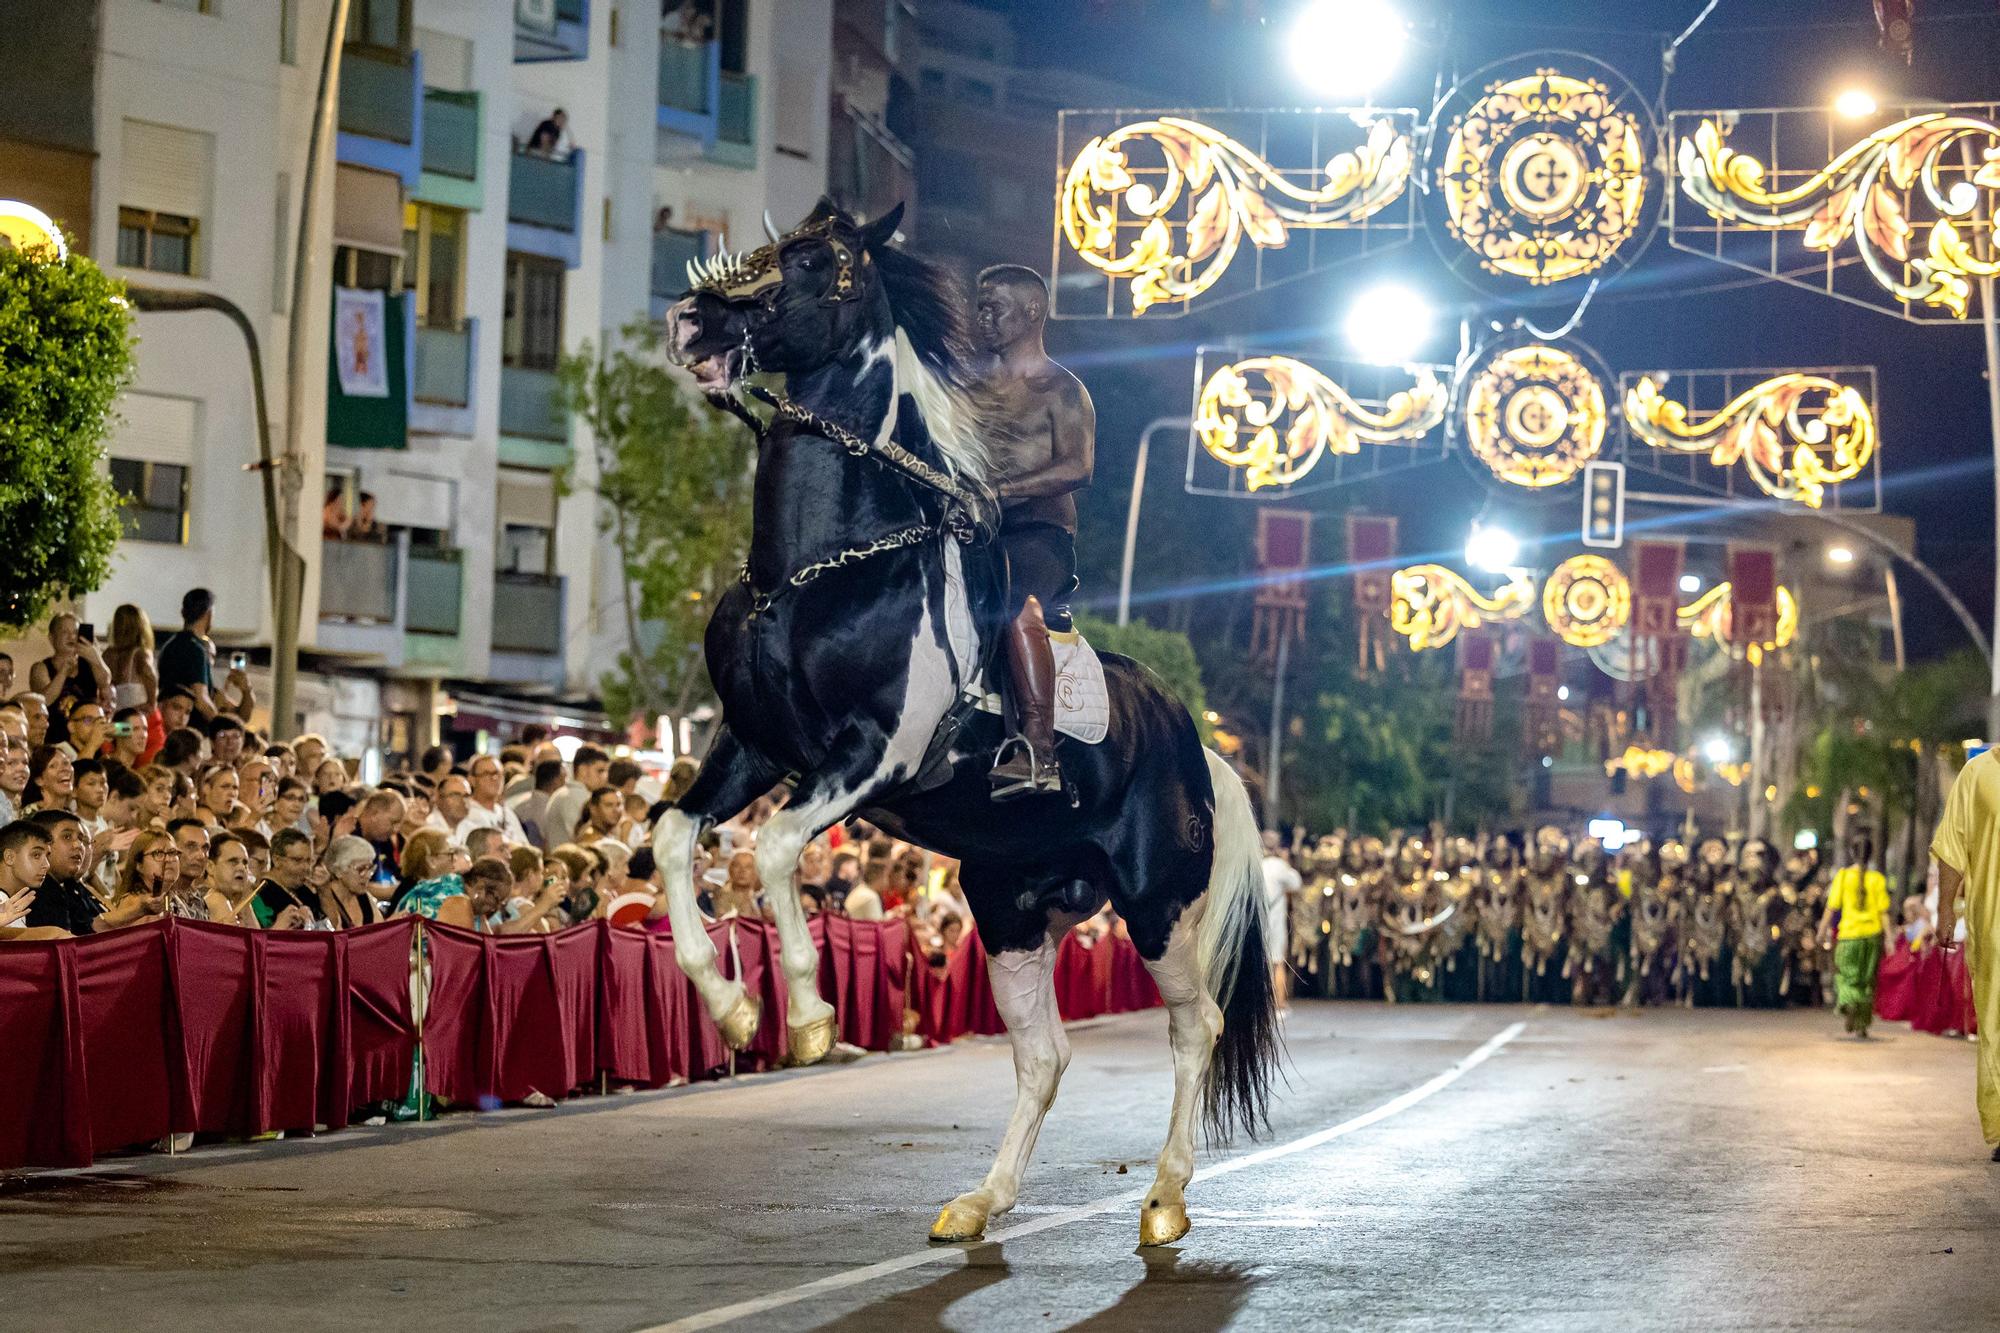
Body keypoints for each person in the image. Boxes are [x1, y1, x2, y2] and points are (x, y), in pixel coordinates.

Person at [975, 264, 1096, 799]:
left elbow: (1077, 467)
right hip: (973, 528)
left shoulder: (1062, 390)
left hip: (1037, 537)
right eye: (979, 307)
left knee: (1015, 602)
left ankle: (1038, 749)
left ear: (1031, 312)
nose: (983, 319)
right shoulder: (970, 388)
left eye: (993, 307)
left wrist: (1002, 490)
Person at [1931, 748, 2000, 1158]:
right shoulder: (1977, 773)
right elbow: (1952, 846)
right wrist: (1944, 912)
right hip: (1994, 926)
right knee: (1995, 1022)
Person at [24, 809, 157, 935]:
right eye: (67, 837)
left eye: (82, 840)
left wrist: (141, 909)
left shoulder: (68, 886)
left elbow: (91, 927)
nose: (78, 845)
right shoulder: (33, 891)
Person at [1818, 832, 1891, 1038]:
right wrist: (1891, 939)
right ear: (1871, 854)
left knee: (1845, 976)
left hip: (1849, 936)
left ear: (1852, 852)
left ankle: (1849, 1003)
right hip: (1872, 937)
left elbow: (1831, 908)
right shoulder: (1877, 879)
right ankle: (1862, 1025)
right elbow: (1884, 913)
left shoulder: (1842, 876)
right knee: (1867, 981)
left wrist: (1821, 932)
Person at [155, 588, 254, 721]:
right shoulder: (196, 649)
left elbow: (240, 717)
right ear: (209, 614)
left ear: (183, 612)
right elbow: (201, 701)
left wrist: (246, 690)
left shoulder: (168, 647)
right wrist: (220, 728)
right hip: (194, 732)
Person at [0, 820, 68, 941]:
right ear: (9, 857)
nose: (47, 865)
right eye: (36, 855)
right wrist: (53, 932)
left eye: (47, 856)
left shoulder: (17, 903)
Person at [1260, 831, 1302, 1016]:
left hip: (1257, 923)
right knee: (1277, 962)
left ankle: (1261, 1004)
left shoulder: (1253, 865)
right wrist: (1286, 861)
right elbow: (1296, 883)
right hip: (1275, 922)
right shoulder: (1279, 867)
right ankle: (1280, 1003)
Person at [253, 828, 322, 928]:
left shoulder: (302, 889)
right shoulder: (262, 892)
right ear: (276, 860)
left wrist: (324, 890)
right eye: (297, 860)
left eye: (308, 861)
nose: (306, 867)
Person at [544, 746, 607, 849]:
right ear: (583, 770)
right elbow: (584, 837)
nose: (605, 776)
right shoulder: (575, 796)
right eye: (600, 771)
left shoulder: (568, 793)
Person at [319, 835, 389, 928]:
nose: (368, 875)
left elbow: (380, 932)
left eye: (371, 868)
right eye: (361, 869)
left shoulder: (365, 897)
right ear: (339, 871)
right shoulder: (325, 898)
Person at [103, 603, 159, 713]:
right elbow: (149, 675)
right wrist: (152, 703)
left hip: (116, 717)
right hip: (137, 716)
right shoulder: (140, 653)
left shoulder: (107, 654)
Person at [466, 752, 529, 844]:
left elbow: (524, 846)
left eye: (498, 773)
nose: (495, 778)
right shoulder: (466, 812)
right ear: (472, 780)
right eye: (487, 773)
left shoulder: (507, 813)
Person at [509, 758, 566, 849]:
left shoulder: (518, 805)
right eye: (564, 779)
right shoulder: (551, 809)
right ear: (556, 781)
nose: (566, 784)